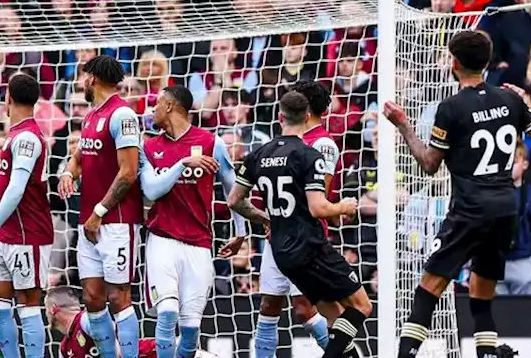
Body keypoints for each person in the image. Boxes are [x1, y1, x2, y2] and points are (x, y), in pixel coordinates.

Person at [382, 30, 531, 358]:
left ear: (455, 63)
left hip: (469, 209)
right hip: (506, 209)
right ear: (487, 62)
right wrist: (526, 110)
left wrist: (404, 125)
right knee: (480, 297)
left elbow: (430, 164)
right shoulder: (511, 99)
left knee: (427, 292)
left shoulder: (450, 107)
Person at [229, 91, 372, 358]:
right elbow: (318, 207)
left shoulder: (257, 155)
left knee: (329, 316)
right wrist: (346, 206)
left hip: (280, 248)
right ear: (307, 116)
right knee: (361, 307)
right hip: (309, 246)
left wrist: (267, 218)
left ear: (279, 116)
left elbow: (234, 200)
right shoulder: (309, 155)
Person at [142, 85, 260, 358]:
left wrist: (241, 233)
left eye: (157, 104)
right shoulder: (149, 146)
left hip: (199, 244)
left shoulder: (212, 143)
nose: (153, 110)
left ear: (170, 106)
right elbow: (151, 190)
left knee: (191, 328)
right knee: (167, 312)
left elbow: (235, 191)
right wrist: (184, 163)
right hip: (162, 240)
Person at [57, 55, 143, 358]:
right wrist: (68, 173)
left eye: (84, 77)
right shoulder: (91, 116)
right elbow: (79, 156)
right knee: (92, 298)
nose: (82, 83)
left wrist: (99, 213)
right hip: (89, 221)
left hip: (116, 221)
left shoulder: (123, 115)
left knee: (118, 297)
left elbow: (129, 172)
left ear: (92, 78)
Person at [251, 81, 343, 358]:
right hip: (277, 236)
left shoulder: (322, 143)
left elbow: (319, 195)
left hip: (305, 237)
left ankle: (346, 352)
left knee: (305, 306)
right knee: (269, 304)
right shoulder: (282, 143)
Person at [0, 73, 52, 358]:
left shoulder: (27, 137)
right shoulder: (17, 134)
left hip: (28, 233)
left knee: (28, 305)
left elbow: (18, 189)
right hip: (8, 233)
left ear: (8, 98)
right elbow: (17, 183)